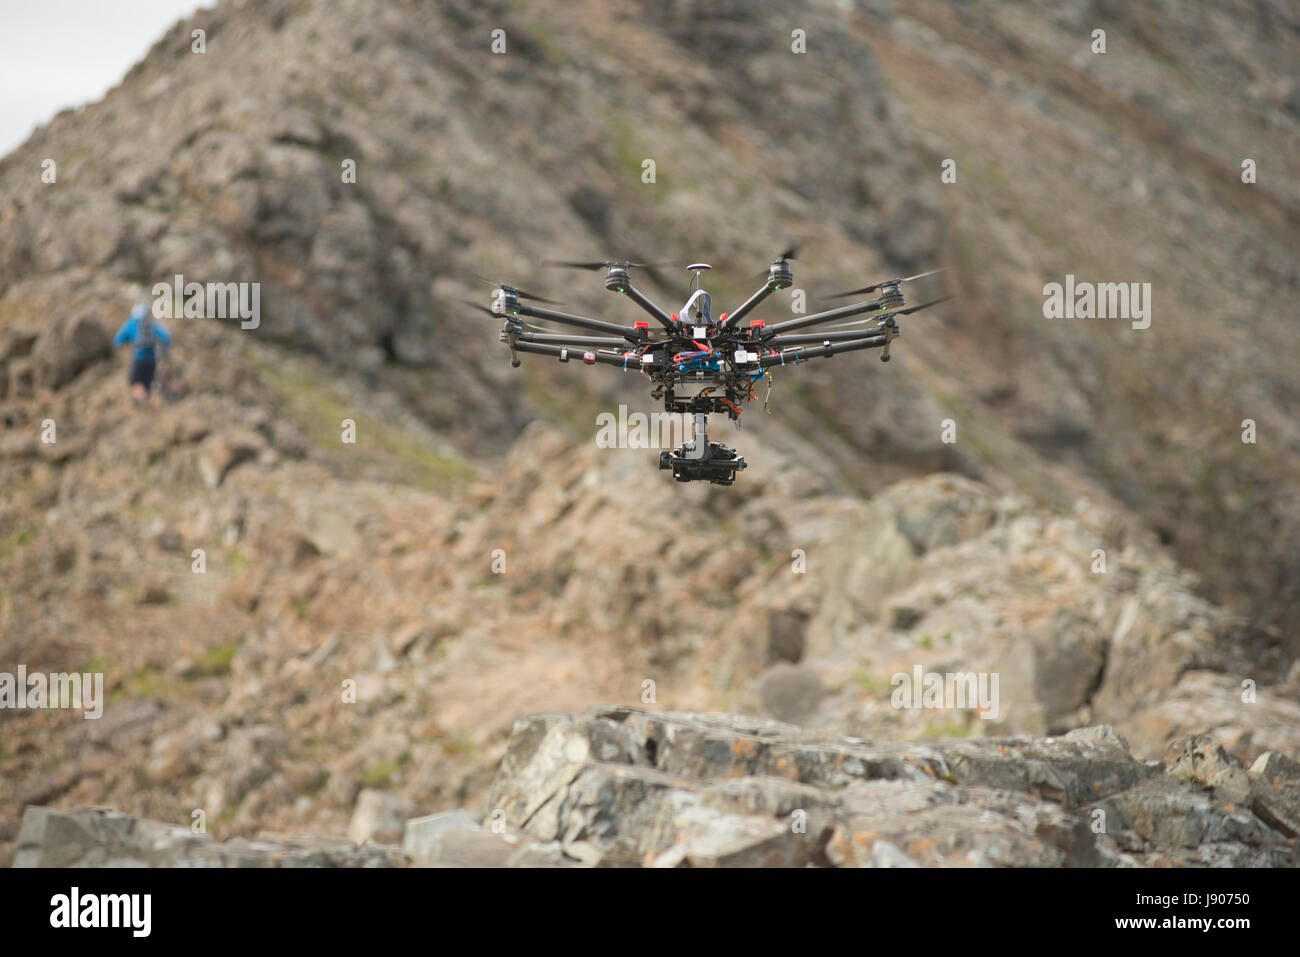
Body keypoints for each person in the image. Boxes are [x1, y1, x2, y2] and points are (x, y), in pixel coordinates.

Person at [113, 300, 171, 402]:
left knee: (136, 384)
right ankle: (148, 406)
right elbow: (166, 337)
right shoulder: (152, 323)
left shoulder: (130, 324)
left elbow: (117, 341)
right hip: (152, 360)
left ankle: (142, 404)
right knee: (146, 385)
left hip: (139, 358)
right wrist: (164, 351)